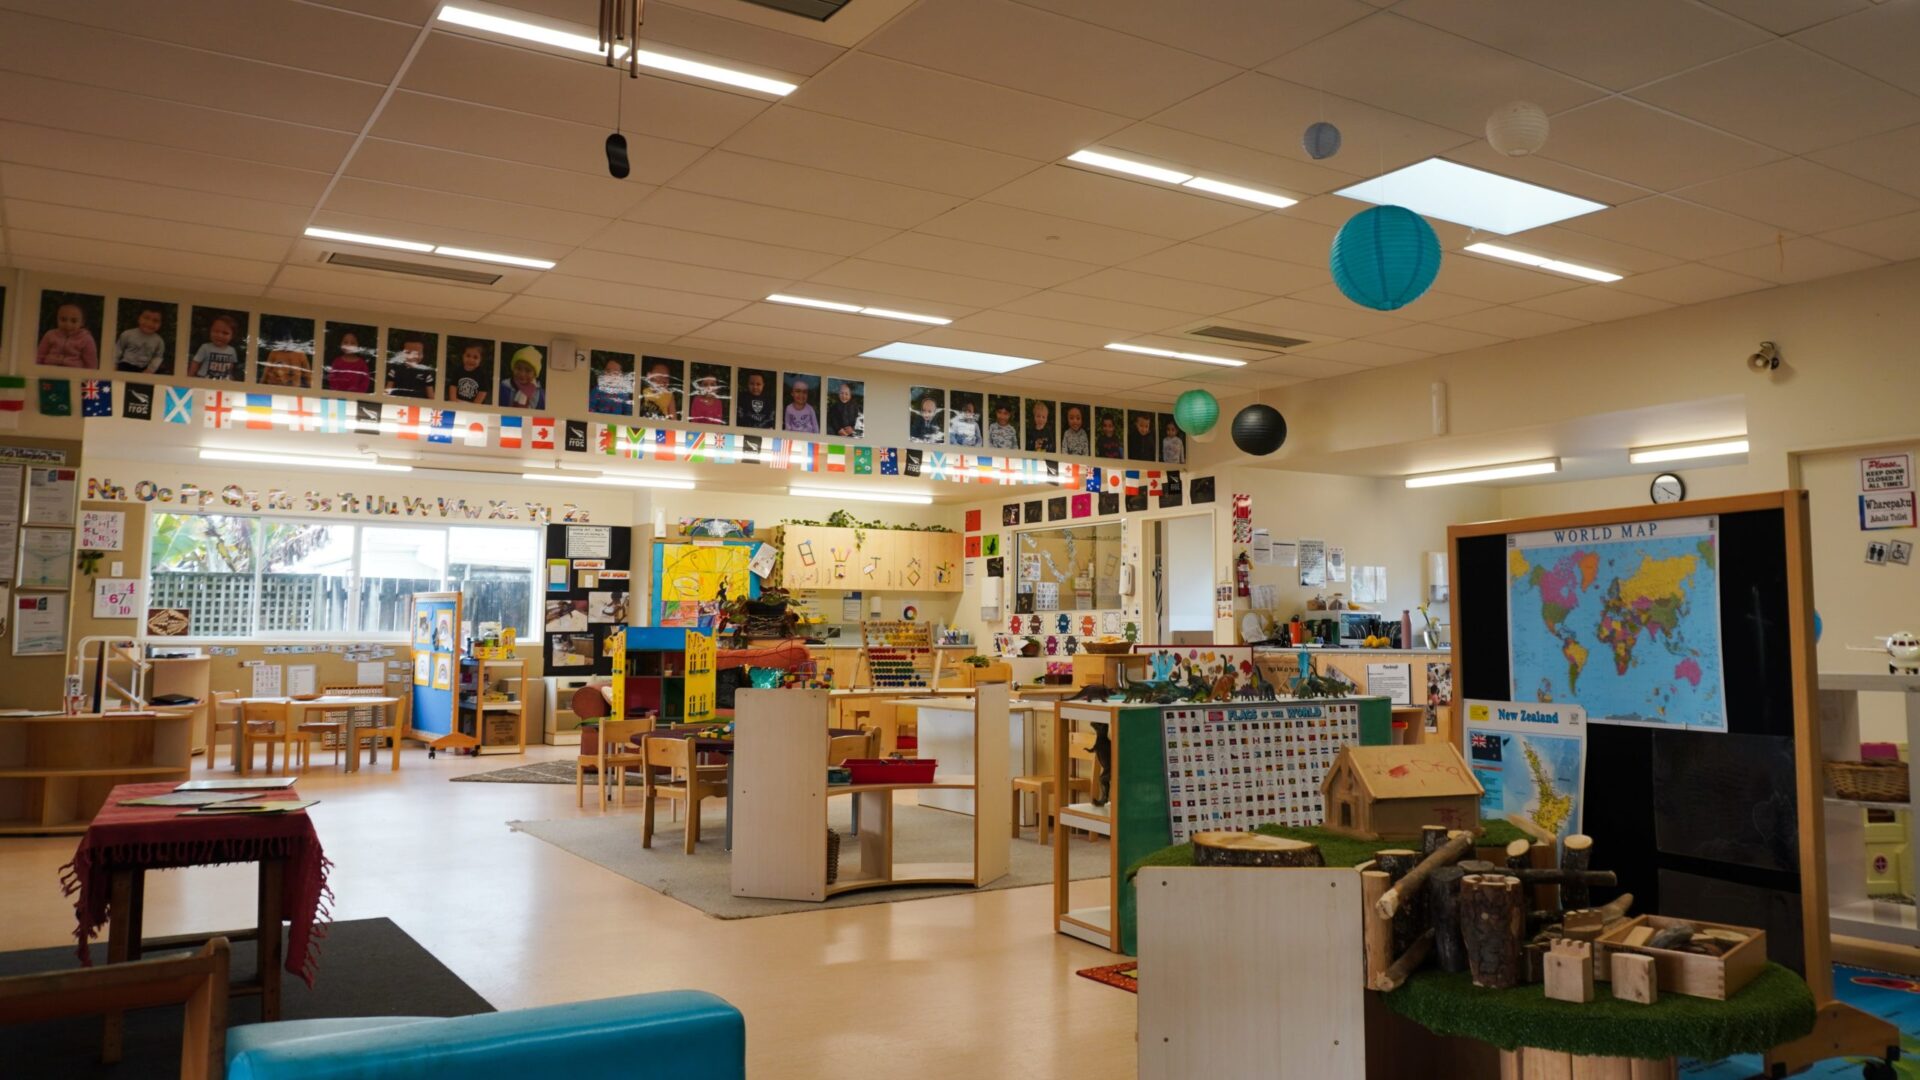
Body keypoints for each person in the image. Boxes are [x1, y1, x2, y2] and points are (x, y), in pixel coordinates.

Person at [38, 302, 99, 369]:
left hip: (74, 372)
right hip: (48, 370)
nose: (68, 324)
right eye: (63, 319)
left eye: (74, 321)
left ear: (82, 322)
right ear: (57, 319)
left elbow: (91, 365)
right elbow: (39, 356)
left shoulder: (86, 339)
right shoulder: (50, 334)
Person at [112, 306, 167, 373]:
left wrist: (150, 369)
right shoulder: (127, 334)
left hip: (144, 369)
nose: (150, 323)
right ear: (139, 318)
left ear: (161, 324)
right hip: (125, 366)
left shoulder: (159, 341)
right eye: (146, 318)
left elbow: (158, 357)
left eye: (155, 321)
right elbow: (118, 349)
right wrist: (114, 364)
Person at [191, 315, 242, 380]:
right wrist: (190, 378)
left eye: (225, 333)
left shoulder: (232, 350)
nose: (219, 335)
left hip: (223, 381)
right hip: (204, 380)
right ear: (210, 331)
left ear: (232, 336)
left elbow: (231, 367)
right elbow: (195, 363)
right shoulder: (205, 347)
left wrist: (231, 378)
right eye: (216, 331)